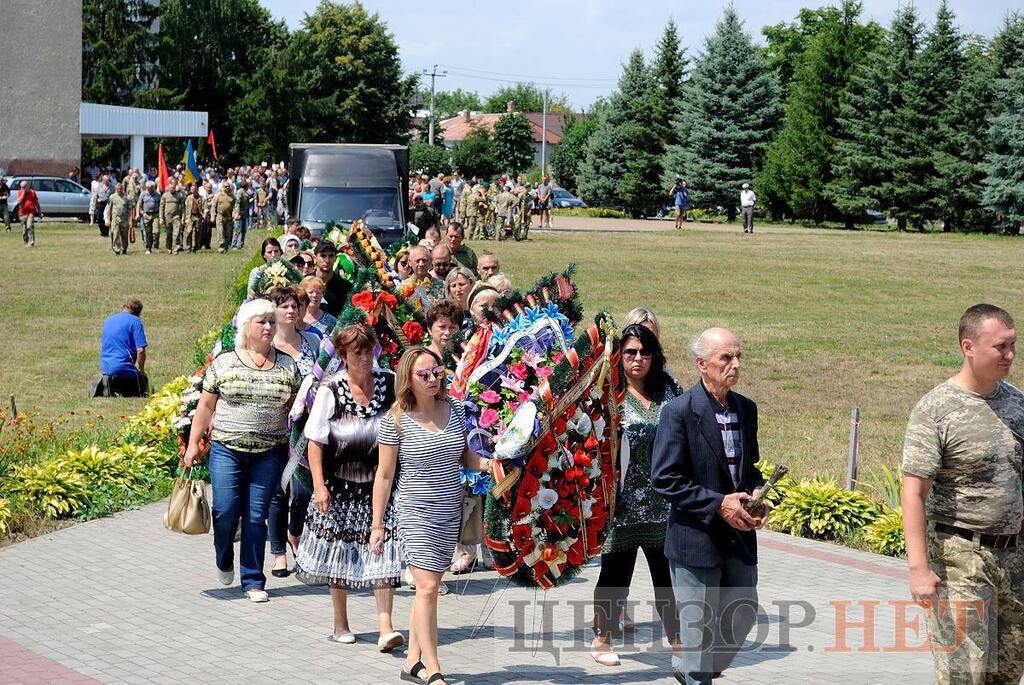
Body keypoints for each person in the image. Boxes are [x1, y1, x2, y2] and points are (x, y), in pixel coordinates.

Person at [902, 304, 1024, 684]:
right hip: (959, 558)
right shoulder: (937, 409)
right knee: (965, 674)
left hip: (1014, 559)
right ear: (968, 346)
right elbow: (913, 493)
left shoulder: (1018, 403)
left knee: (1007, 671)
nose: (1009, 355)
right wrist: (919, 569)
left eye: (1013, 346)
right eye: (1000, 347)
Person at [371, 348, 496, 685]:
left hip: (448, 511)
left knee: (431, 586)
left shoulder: (454, 410)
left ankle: (412, 662)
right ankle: (434, 667)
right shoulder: (395, 419)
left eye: (436, 372)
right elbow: (384, 476)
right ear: (408, 380)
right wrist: (377, 524)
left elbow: (469, 460)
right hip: (414, 512)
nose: (432, 379)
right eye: (423, 374)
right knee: (427, 588)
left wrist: (498, 463)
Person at [651, 327, 766, 685]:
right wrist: (719, 505)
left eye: (738, 356)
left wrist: (758, 499)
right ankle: (696, 671)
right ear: (702, 364)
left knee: (743, 612)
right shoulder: (679, 411)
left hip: (739, 537)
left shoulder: (746, 409)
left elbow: (751, 471)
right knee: (698, 631)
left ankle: (691, 669)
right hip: (694, 538)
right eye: (725, 358)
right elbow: (665, 478)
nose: (735, 364)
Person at [183, 299, 301, 603]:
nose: (268, 327)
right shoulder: (224, 362)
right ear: (246, 327)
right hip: (227, 449)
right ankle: (223, 555)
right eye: (261, 322)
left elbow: (297, 409)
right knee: (224, 511)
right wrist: (194, 443)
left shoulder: (287, 364)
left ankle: (252, 580)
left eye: (271, 322)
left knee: (255, 516)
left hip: (269, 452)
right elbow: (206, 405)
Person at [294, 324, 404, 650]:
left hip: (382, 487)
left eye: (369, 350)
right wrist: (318, 485)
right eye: (357, 352)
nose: (365, 357)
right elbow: (315, 441)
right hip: (339, 486)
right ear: (343, 356)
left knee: (384, 550)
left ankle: (386, 627)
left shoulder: (390, 382)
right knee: (339, 554)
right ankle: (340, 621)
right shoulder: (330, 390)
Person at [591, 324, 681, 666]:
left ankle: (678, 641)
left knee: (668, 579)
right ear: (619, 356)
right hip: (622, 506)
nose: (638, 359)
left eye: (645, 352)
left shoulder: (669, 391)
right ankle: (602, 638)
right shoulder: (608, 394)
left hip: (663, 504)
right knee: (615, 575)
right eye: (630, 352)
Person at [98, 299, 149, 397]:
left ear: (123, 307)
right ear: (138, 313)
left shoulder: (108, 320)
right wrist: (141, 370)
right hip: (123, 367)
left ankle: (108, 382)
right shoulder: (135, 321)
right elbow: (141, 350)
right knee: (143, 382)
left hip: (105, 366)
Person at [268, 286, 320, 377]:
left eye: (294, 306)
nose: (291, 311)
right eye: (285, 307)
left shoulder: (313, 340)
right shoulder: (267, 344)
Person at [314, 241, 351, 317]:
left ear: (335, 258)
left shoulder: (345, 287)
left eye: (331, 256)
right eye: (323, 256)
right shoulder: (305, 282)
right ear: (315, 258)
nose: (327, 260)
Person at [160, 179, 185, 254]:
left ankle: (175, 248)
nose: (172, 189)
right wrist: (161, 217)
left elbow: (183, 207)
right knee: (169, 233)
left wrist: (183, 217)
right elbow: (161, 207)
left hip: (176, 216)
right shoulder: (165, 195)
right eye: (170, 188)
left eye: (173, 188)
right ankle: (168, 247)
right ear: (168, 188)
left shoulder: (179, 195)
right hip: (167, 217)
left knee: (176, 233)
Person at [136, 181, 161, 254]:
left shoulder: (157, 194)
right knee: (147, 232)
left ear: (153, 187)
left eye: (151, 188)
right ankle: (148, 248)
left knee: (156, 231)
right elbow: (139, 204)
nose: (149, 189)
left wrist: (161, 215)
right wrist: (138, 213)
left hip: (155, 214)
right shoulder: (143, 194)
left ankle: (156, 247)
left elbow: (161, 205)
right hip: (146, 215)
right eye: (148, 188)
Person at [106, 183, 131, 255]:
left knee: (124, 235)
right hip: (115, 218)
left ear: (123, 189)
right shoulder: (112, 197)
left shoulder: (127, 198)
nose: (119, 190)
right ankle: (117, 249)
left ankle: (124, 249)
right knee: (115, 234)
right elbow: (109, 209)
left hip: (124, 219)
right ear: (115, 189)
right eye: (118, 189)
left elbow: (130, 210)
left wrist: (130, 220)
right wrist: (108, 219)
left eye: (120, 189)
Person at [183, 184, 207, 253]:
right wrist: (185, 218)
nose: (193, 190)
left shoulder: (202, 198)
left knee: (197, 232)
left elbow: (205, 207)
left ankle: (196, 247)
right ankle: (188, 247)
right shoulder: (188, 198)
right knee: (189, 231)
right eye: (192, 189)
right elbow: (185, 208)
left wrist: (204, 214)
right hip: (190, 217)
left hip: (198, 217)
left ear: (197, 189)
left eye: (194, 189)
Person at [16, 181, 40, 247]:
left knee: (29, 226)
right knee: (24, 230)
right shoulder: (20, 192)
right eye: (21, 187)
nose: (22, 189)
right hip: (22, 213)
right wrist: (23, 195)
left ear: (27, 186)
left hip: (31, 213)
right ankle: (26, 241)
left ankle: (31, 242)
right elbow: (18, 202)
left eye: (24, 187)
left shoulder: (32, 192)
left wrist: (40, 212)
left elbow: (37, 203)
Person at [214, 181, 235, 253]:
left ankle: (226, 246)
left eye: (228, 186)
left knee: (228, 233)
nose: (227, 188)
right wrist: (213, 216)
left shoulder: (232, 197)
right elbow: (214, 206)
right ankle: (221, 247)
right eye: (225, 186)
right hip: (220, 216)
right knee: (221, 231)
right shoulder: (218, 196)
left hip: (229, 217)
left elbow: (235, 206)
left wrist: (235, 213)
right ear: (223, 187)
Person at [232, 180, 251, 249]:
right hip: (239, 214)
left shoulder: (244, 192)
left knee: (243, 230)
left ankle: (241, 245)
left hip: (244, 214)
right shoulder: (240, 192)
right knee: (237, 230)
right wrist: (237, 213)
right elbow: (237, 203)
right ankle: (233, 244)